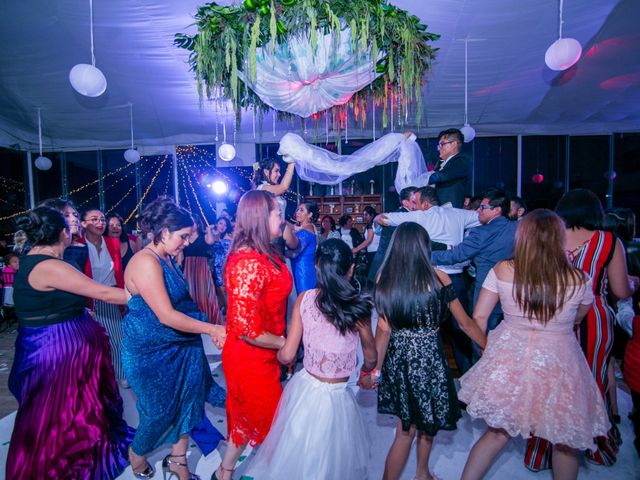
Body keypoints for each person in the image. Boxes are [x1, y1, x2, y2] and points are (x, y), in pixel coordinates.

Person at [459, 209, 610, 480]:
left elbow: (479, 317)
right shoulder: (579, 278)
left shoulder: (503, 269)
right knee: (564, 441)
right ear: (559, 239)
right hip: (560, 360)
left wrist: (487, 350)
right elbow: (578, 317)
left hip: (510, 355)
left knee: (497, 433)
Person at [7, 207, 134, 478]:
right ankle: (62, 466)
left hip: (60, 344)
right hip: (56, 349)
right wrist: (151, 293)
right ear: (64, 233)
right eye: (71, 224)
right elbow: (103, 293)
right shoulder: (49, 265)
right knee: (61, 412)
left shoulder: (37, 258)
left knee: (72, 408)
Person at [244, 238, 377, 479]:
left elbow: (288, 354)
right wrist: (368, 372)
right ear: (351, 269)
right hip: (338, 395)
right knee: (329, 462)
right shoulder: (359, 307)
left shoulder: (304, 300)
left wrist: (278, 350)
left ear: (317, 268)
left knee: (297, 455)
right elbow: (371, 356)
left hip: (305, 390)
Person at [525, 189, 637, 470]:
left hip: (552, 316)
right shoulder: (609, 241)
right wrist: (635, 283)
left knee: (549, 383)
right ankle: (593, 446)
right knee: (592, 382)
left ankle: (542, 452)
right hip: (594, 319)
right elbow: (621, 290)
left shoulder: (550, 238)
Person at [369, 222, 487, 480]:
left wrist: (374, 369)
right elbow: (465, 324)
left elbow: (384, 330)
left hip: (400, 361)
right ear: (424, 247)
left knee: (408, 428)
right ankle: (418, 473)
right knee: (416, 427)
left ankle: (422, 473)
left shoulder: (384, 279)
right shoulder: (438, 277)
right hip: (429, 359)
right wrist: (490, 348)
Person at [122, 197, 226, 479]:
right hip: (150, 354)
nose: (187, 242)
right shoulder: (145, 262)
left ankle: (179, 462)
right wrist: (213, 329)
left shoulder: (165, 257)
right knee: (158, 414)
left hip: (178, 348)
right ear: (164, 232)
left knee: (185, 405)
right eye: (183, 236)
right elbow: (166, 315)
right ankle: (137, 453)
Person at [213, 190, 293, 480]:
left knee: (246, 420)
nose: (282, 221)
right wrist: (286, 343)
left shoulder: (266, 252)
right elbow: (247, 330)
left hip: (265, 352)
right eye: (277, 214)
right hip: (250, 357)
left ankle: (225, 471)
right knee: (276, 427)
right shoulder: (248, 262)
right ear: (260, 218)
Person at [376, 186, 481, 373]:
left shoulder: (419, 216)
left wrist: (378, 219)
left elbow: (383, 218)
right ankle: (467, 374)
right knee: (460, 328)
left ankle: (426, 367)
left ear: (424, 204)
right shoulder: (458, 214)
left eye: (416, 203)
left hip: (427, 279)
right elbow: (482, 218)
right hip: (455, 279)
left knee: (426, 326)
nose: (414, 207)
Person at [432, 188, 518, 362]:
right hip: (514, 290)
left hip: (488, 291)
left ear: (496, 210)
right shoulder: (518, 228)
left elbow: (456, 256)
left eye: (482, 207)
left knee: (481, 338)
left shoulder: (482, 233)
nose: (477, 211)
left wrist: (425, 254)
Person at [80, 208, 127, 385]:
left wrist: (122, 297)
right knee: (91, 341)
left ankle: (121, 374)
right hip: (88, 298)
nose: (100, 223)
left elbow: (119, 272)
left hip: (111, 295)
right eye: (94, 219)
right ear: (83, 224)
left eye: (102, 219)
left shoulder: (112, 243)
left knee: (116, 338)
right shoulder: (77, 245)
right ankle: (96, 378)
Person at [367, 186, 417, 284]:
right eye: (414, 200)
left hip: (386, 265)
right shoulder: (400, 216)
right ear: (405, 202)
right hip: (388, 266)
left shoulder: (400, 214)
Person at [181, 221, 222, 325]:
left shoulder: (203, 235)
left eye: (193, 222)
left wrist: (208, 230)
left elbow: (211, 242)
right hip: (188, 267)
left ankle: (208, 318)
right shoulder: (184, 237)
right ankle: (193, 320)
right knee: (190, 292)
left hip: (201, 267)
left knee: (205, 293)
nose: (191, 224)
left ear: (198, 224)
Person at [427, 128, 472, 208]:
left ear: (454, 144)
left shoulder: (462, 161)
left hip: (451, 210)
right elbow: (427, 153)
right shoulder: (440, 162)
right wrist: (412, 138)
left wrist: (420, 180)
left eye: (442, 144)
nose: (438, 148)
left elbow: (442, 176)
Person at [286, 202, 318, 295]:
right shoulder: (304, 228)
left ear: (310, 214)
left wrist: (280, 252)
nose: (297, 212)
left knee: (303, 301)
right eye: (297, 210)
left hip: (303, 273)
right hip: (300, 269)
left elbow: (296, 250)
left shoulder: (307, 230)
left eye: (302, 210)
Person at [208, 216, 233, 313]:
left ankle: (228, 313)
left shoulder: (228, 237)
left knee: (226, 292)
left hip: (225, 266)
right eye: (221, 223)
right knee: (219, 292)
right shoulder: (211, 235)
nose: (223, 226)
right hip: (214, 267)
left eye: (225, 225)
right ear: (216, 223)